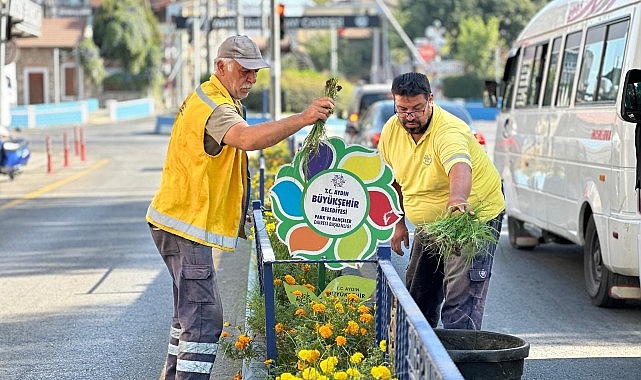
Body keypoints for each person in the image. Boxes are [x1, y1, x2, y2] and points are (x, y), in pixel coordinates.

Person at [146, 35, 334, 380]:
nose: (251, 80)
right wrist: (304, 118)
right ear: (221, 66)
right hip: (184, 225)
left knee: (186, 318)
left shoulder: (215, 99)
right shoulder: (215, 107)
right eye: (245, 71)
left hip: (175, 221)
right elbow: (248, 140)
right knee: (203, 321)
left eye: (255, 73)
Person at [377, 72, 504, 330]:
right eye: (402, 109)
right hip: (432, 221)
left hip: (470, 216)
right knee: (418, 293)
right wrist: (398, 222)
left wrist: (457, 198)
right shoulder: (391, 129)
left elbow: (459, 167)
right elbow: (392, 180)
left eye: (417, 109)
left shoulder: (449, 131)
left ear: (431, 100)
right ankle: (418, 361)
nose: (409, 116)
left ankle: (458, 362)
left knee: (460, 298)